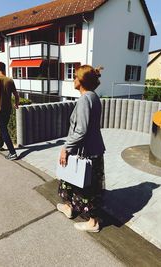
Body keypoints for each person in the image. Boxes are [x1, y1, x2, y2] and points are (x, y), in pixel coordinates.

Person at [57, 65, 105, 232]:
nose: (73, 79)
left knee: (86, 186)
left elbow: (81, 130)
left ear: (82, 81)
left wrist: (66, 148)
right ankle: (69, 207)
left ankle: (93, 223)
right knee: (77, 181)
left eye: (75, 76)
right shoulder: (94, 97)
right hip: (93, 148)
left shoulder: (85, 99)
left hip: (87, 151)